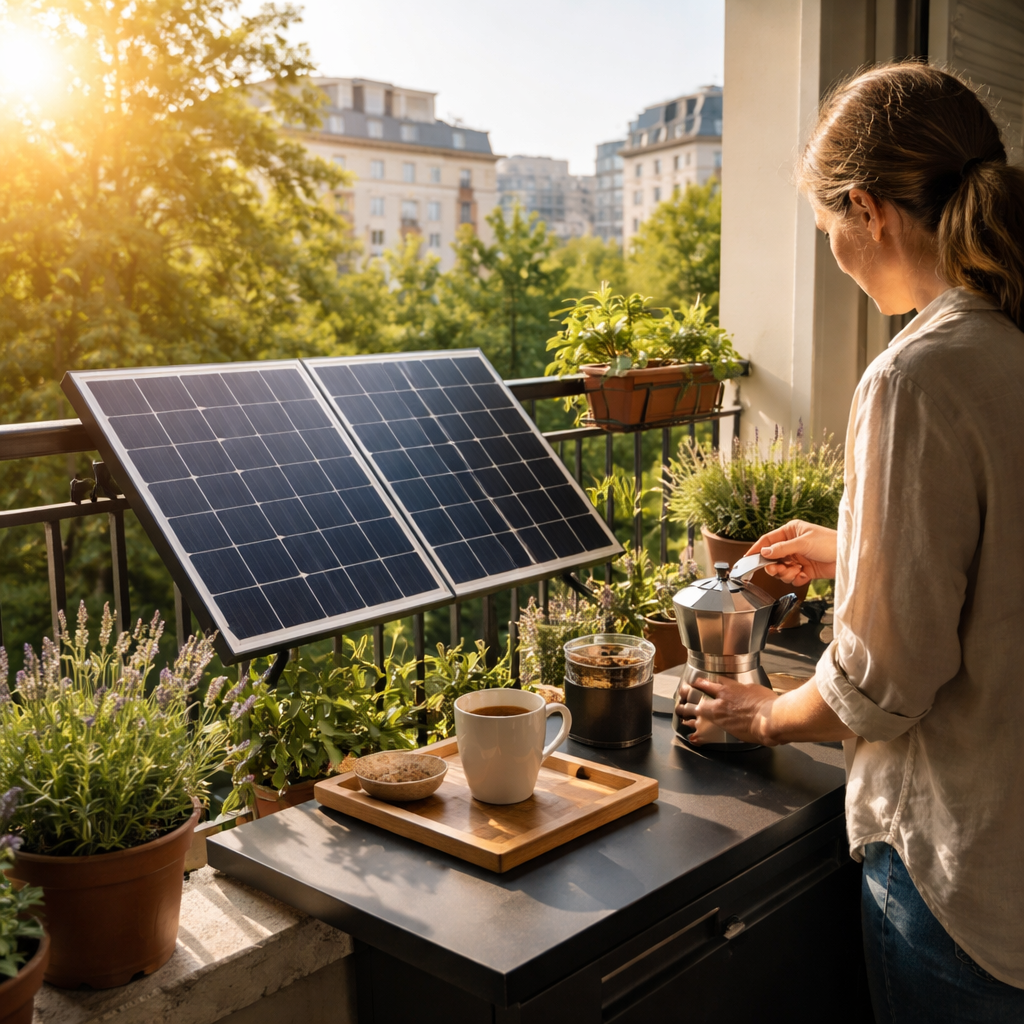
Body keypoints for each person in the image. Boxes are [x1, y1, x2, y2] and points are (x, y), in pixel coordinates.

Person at [676, 63, 1024, 1023]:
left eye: (824, 221)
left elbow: (883, 684)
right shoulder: (1005, 340)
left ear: (864, 209)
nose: (826, 242)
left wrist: (757, 716)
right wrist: (860, 547)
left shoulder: (918, 374)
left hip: (970, 889)